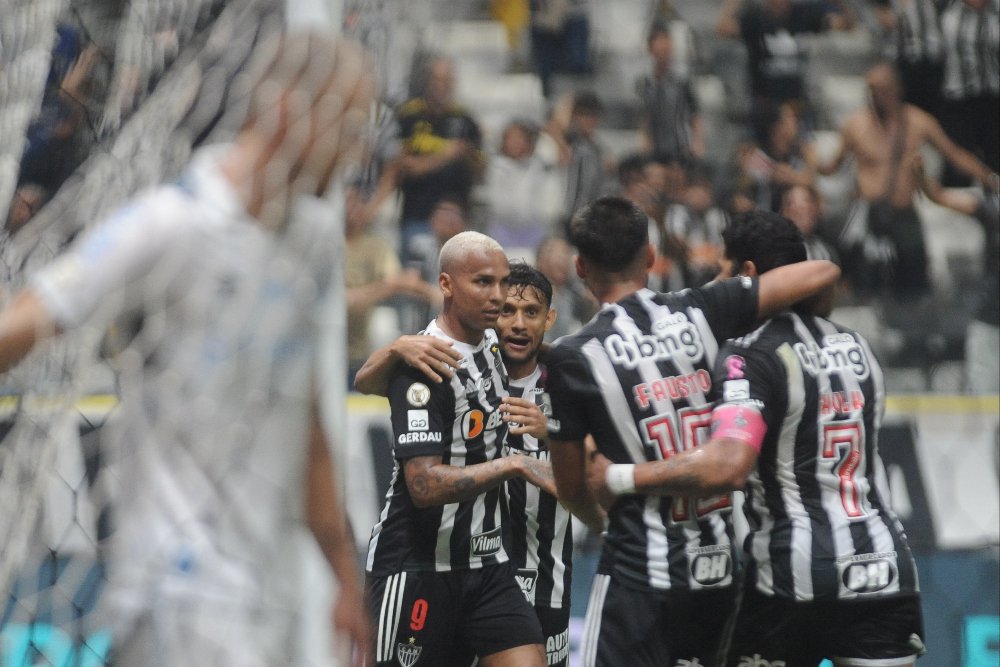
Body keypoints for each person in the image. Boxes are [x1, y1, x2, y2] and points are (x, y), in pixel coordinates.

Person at [0, 31, 372, 666]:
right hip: (174, 590)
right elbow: (33, 316)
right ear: (288, 110)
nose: (356, 150)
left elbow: (305, 421)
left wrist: (345, 577)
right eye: (349, 124)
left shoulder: (311, 239)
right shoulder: (173, 222)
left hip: (265, 587)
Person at [587, 213, 924, 667]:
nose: (716, 282)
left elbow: (728, 465)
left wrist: (619, 476)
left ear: (746, 276)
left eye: (723, 272)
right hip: (886, 570)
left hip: (794, 579)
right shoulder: (858, 345)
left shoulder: (751, 355)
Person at [544, 197, 841, 667]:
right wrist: (736, 286)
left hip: (637, 574)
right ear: (649, 255)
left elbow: (570, 485)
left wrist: (602, 518)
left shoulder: (570, 357)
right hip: (718, 574)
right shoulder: (703, 309)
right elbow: (821, 271)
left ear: (580, 265)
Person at [358, 261, 576, 666]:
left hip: (541, 578)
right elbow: (369, 383)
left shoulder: (567, 377)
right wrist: (394, 347)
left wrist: (555, 431)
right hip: (438, 563)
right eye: (506, 309)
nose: (517, 324)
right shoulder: (451, 360)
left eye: (531, 313)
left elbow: (604, 466)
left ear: (549, 318)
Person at [821, 61, 998, 301]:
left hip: (904, 210)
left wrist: (989, 178)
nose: (874, 95)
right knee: (863, 275)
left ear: (896, 89)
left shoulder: (918, 121)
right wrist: (811, 166)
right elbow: (833, 166)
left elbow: (954, 154)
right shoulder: (855, 125)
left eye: (880, 88)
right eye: (870, 88)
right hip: (868, 213)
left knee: (915, 275)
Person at [914, 159, 1000, 394]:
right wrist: (920, 175)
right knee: (985, 395)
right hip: (990, 318)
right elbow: (937, 196)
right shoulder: (991, 208)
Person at [391, 55, 484, 264]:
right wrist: (446, 155)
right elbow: (401, 166)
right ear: (428, 81)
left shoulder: (466, 119)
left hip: (456, 219)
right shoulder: (409, 116)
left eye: (448, 80)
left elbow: (480, 170)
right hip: (418, 215)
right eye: (438, 79)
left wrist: (466, 154)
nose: (443, 86)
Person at [637, 23, 703, 165]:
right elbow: (645, 114)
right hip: (656, 144)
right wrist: (645, 138)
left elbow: (694, 113)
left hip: (681, 144)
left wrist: (697, 141)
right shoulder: (645, 83)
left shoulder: (682, 81)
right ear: (651, 49)